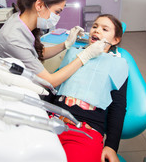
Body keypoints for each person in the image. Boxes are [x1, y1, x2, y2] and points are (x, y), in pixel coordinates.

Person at [0, 0, 107, 87]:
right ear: (39, 5)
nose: (57, 17)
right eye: (57, 12)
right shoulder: (13, 38)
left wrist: (66, 44)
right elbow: (49, 82)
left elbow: (36, 53)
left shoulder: (21, 20)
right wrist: (85, 56)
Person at [52, 14, 128, 162]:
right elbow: (53, 86)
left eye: (104, 29)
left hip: (85, 130)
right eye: (94, 26)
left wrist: (111, 146)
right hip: (54, 120)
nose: (96, 30)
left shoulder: (118, 65)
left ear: (115, 40)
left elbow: (118, 107)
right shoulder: (73, 54)